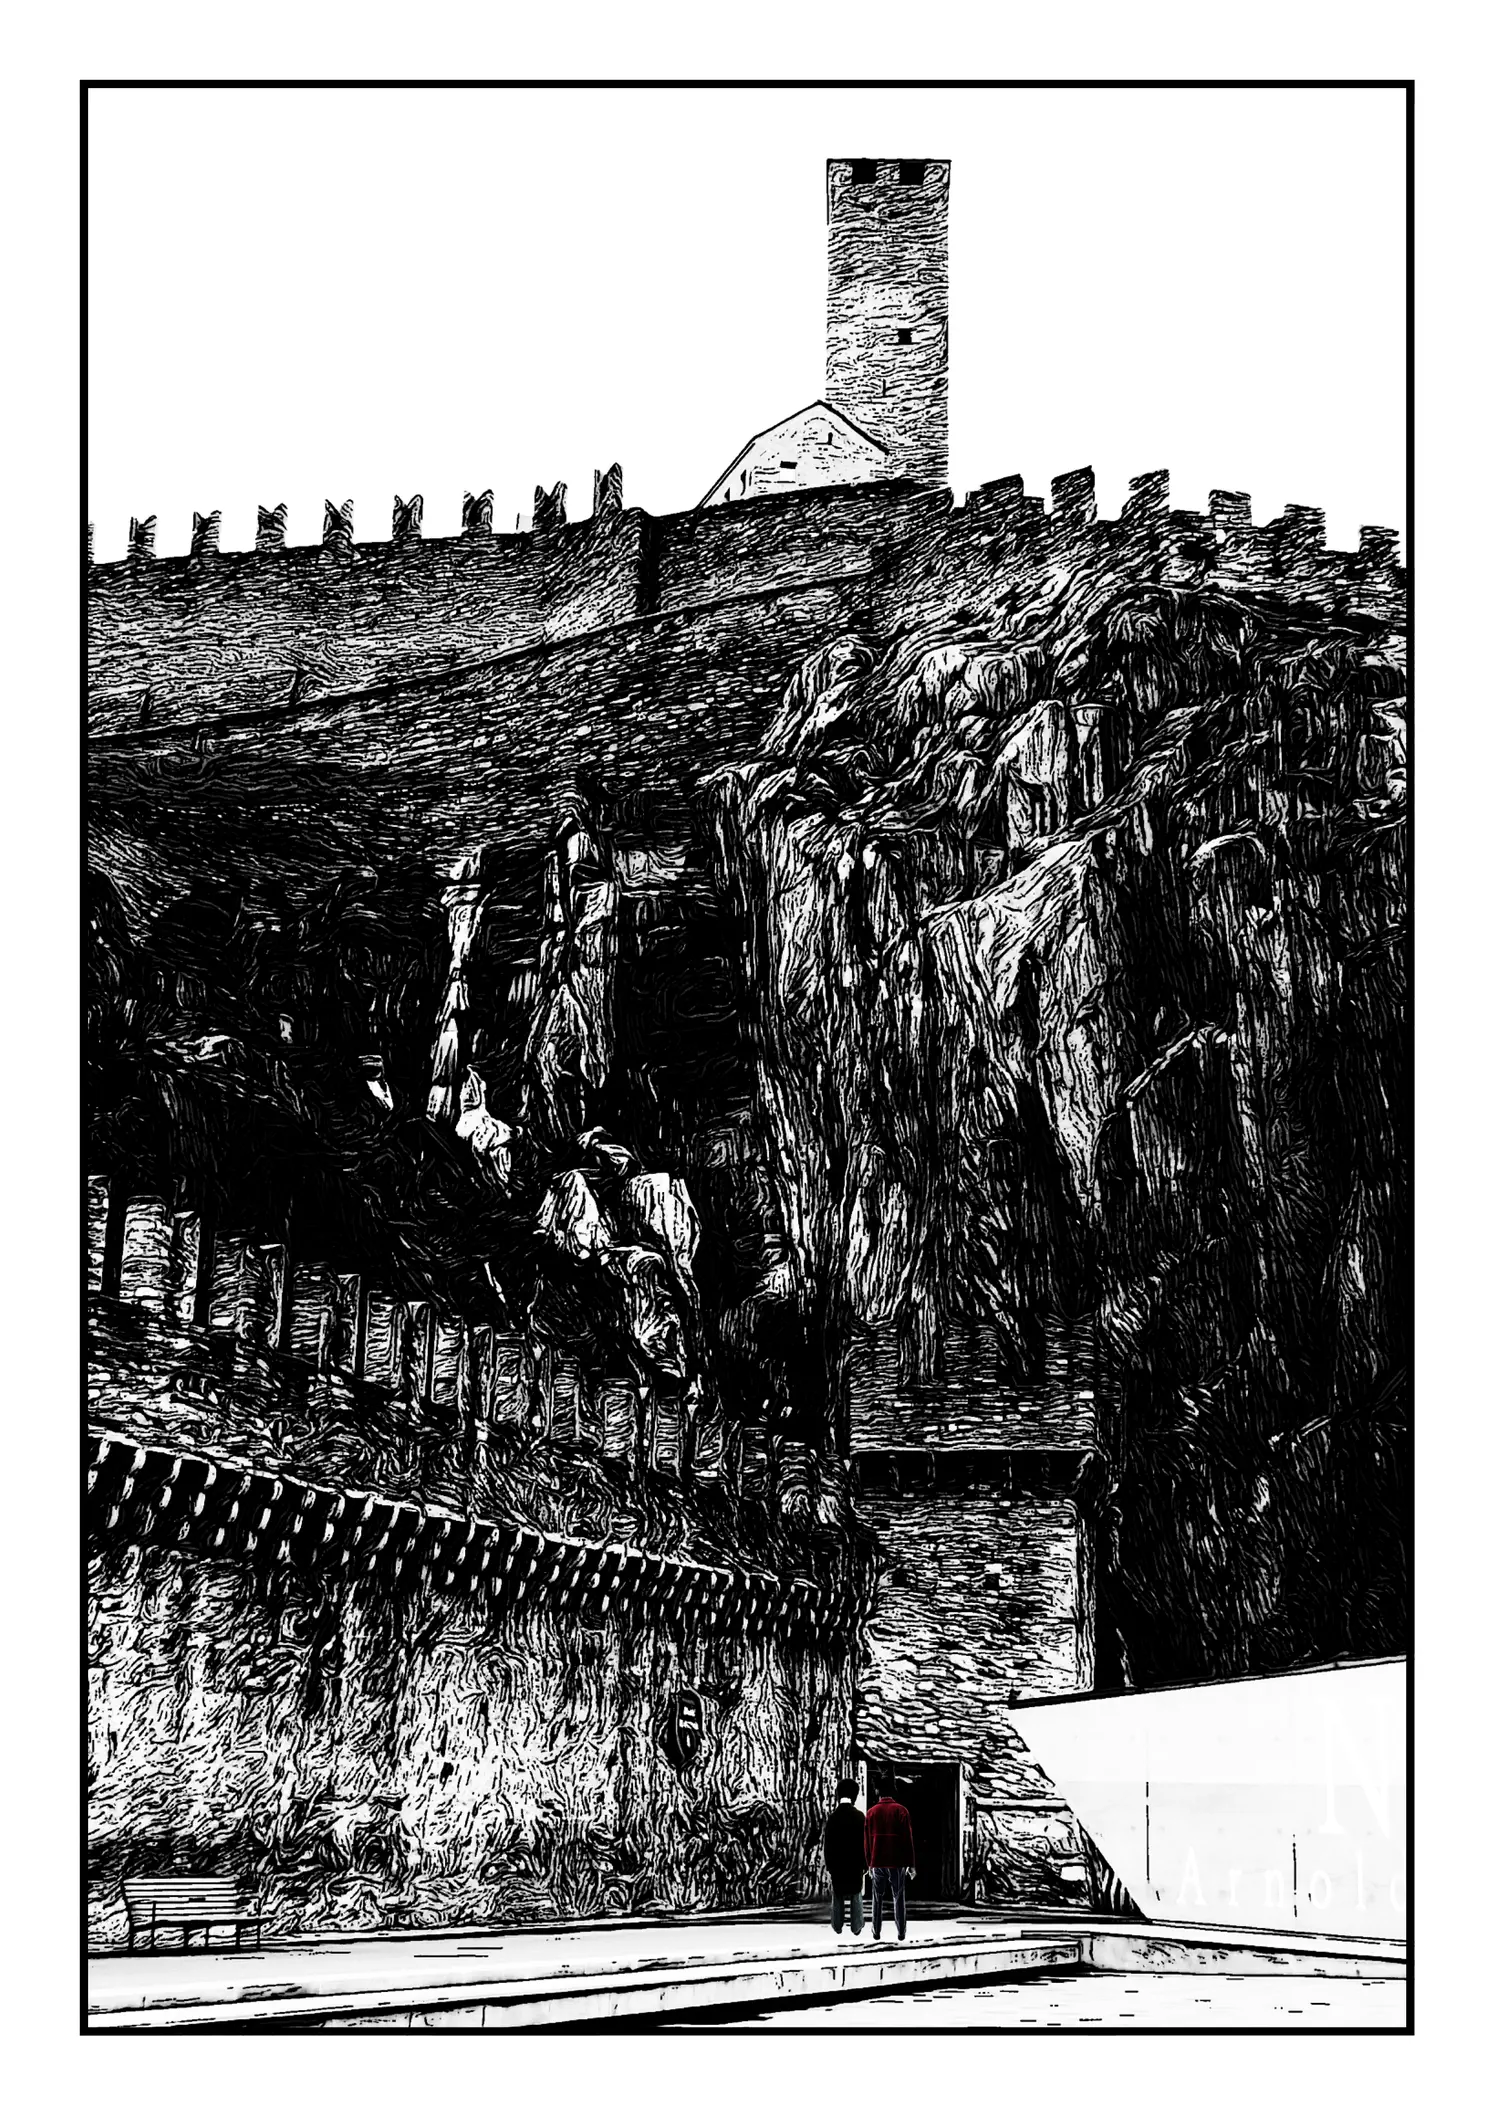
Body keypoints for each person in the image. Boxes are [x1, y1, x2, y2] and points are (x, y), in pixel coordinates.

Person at [864, 1775, 915, 1941]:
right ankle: (901, 1932)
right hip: (897, 1861)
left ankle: (876, 1931)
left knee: (877, 1898)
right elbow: (907, 1839)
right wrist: (911, 1864)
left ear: (877, 1791)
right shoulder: (902, 1811)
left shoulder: (871, 1813)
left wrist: (869, 1863)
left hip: (877, 1861)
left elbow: (867, 1841)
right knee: (898, 1897)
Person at [822, 1776, 866, 1935]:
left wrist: (830, 1864)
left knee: (838, 1894)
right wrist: (865, 1864)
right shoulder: (860, 1817)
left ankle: (837, 1925)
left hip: (838, 1864)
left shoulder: (833, 1818)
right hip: (855, 1863)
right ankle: (856, 1926)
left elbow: (828, 1844)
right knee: (856, 1894)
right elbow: (864, 1843)